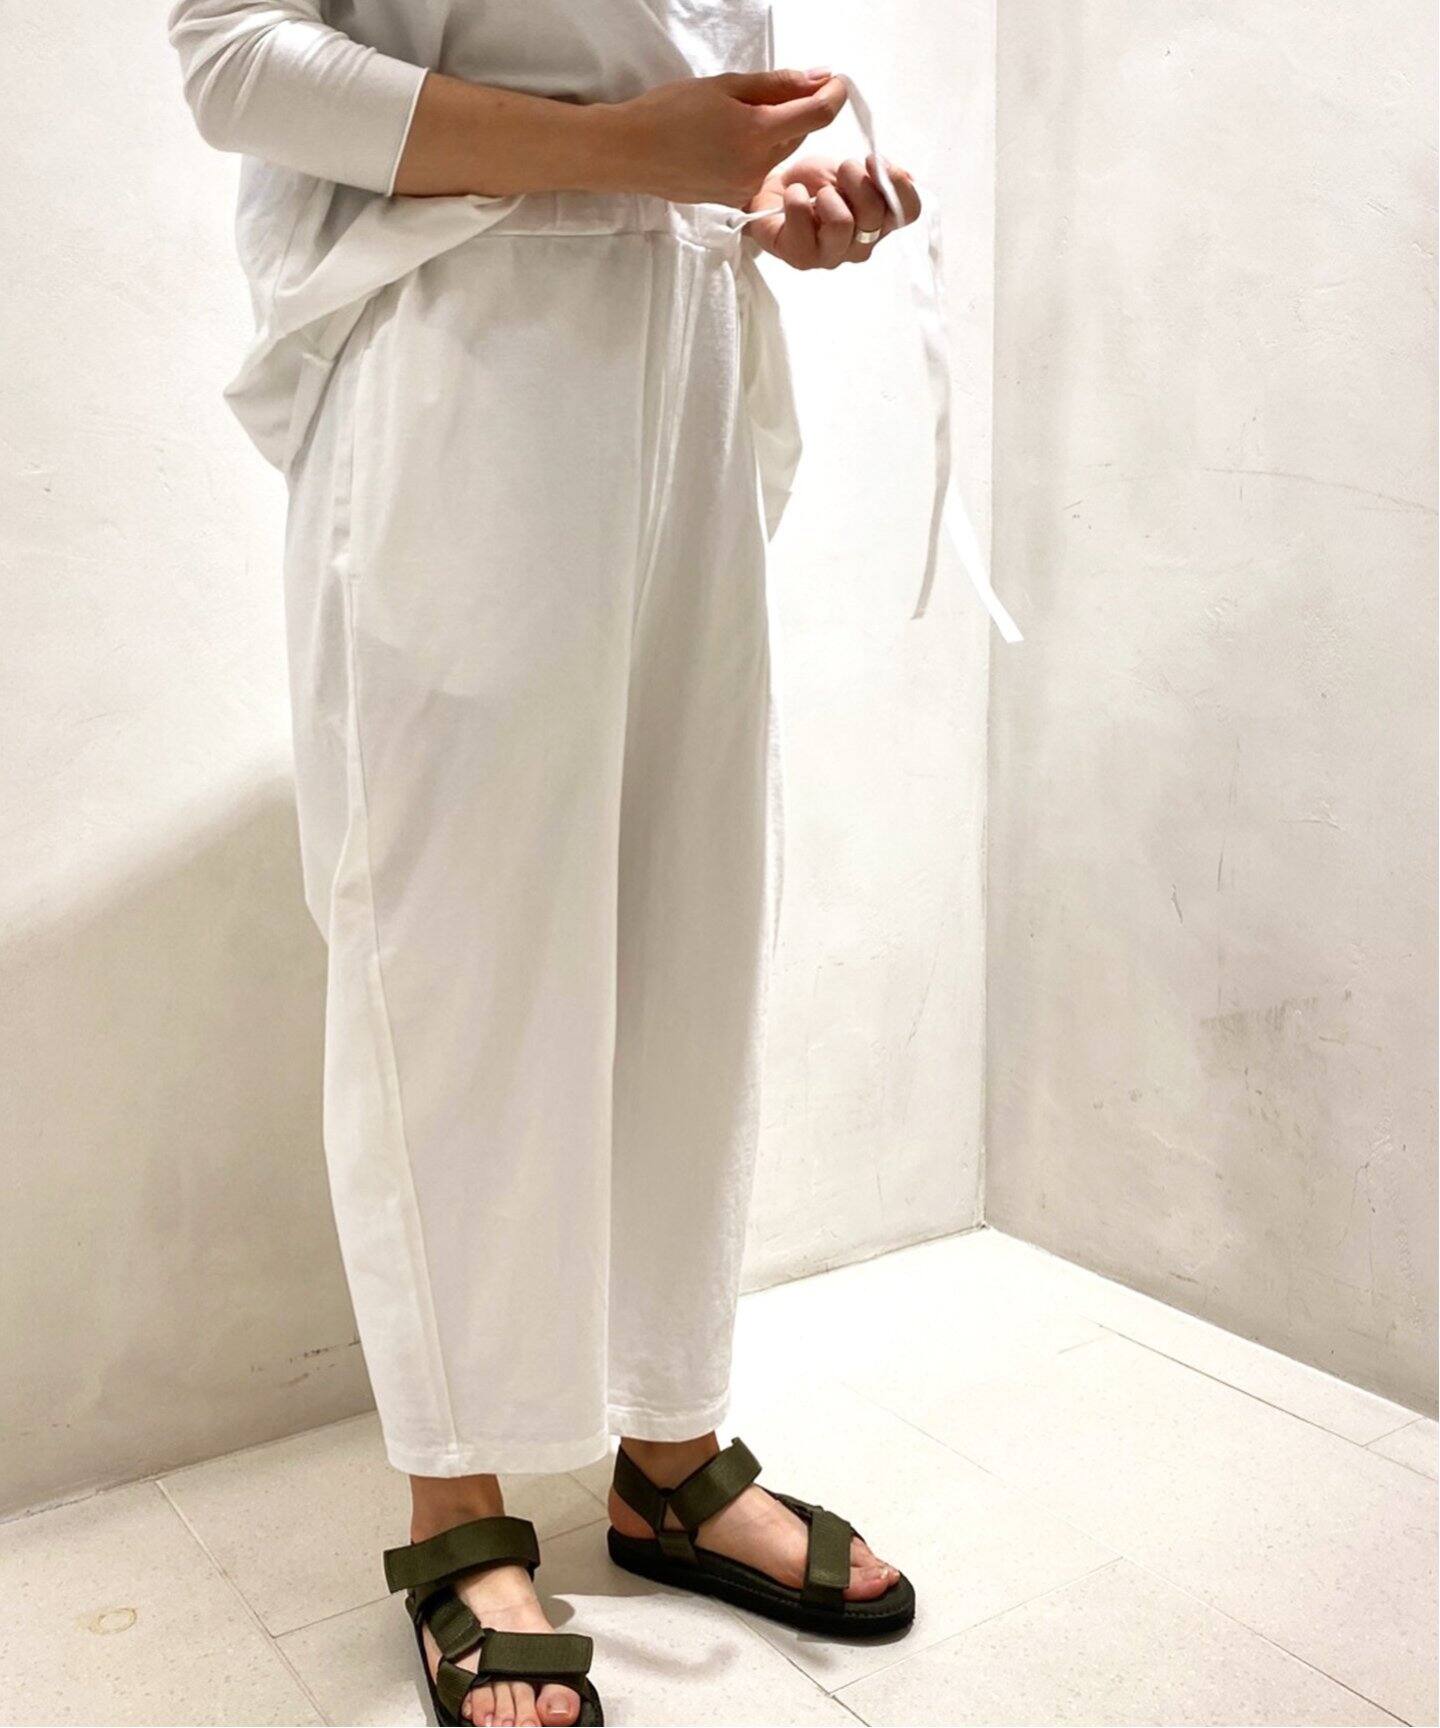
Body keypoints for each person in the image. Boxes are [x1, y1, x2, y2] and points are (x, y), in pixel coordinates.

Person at [167, 3, 921, 1722]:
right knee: (451, 952)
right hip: (463, 347)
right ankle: (456, 1503)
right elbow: (230, 57)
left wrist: (769, 195)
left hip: (687, 359)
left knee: (687, 922)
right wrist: (617, 151)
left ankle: (670, 1449)